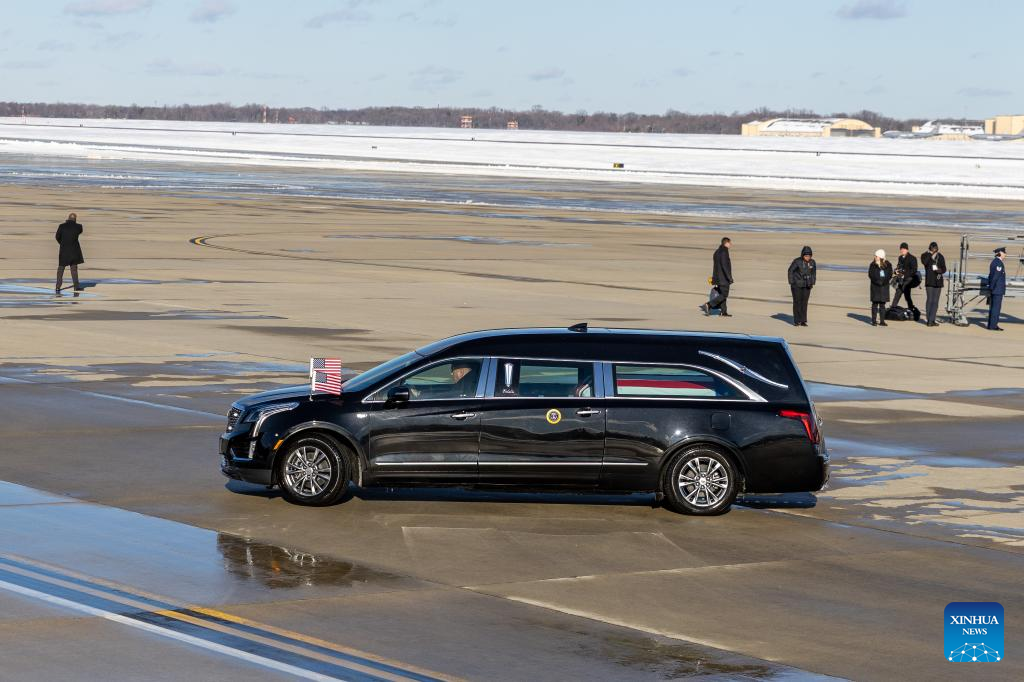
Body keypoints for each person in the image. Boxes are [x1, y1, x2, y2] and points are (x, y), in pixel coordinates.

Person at [701, 237, 733, 317]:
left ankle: (723, 312)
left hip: (717, 277)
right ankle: (708, 305)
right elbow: (724, 266)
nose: (731, 244)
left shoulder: (717, 252)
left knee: (722, 294)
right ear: (726, 243)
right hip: (723, 278)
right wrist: (729, 277)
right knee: (724, 295)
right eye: (730, 243)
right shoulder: (724, 252)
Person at [55, 212, 85, 294]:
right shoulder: (79, 226)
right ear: (75, 219)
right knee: (74, 269)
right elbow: (79, 232)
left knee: (61, 269)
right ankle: (76, 286)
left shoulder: (62, 226)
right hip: (74, 251)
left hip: (64, 250)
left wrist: (62, 243)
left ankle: (57, 287)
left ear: (68, 218)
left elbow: (57, 237)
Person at [787, 245, 816, 326]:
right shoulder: (797, 261)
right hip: (797, 285)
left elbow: (813, 273)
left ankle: (803, 320)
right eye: (806, 255)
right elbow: (790, 271)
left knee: (804, 303)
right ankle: (797, 321)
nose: (807, 257)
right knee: (797, 302)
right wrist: (792, 282)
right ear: (802, 255)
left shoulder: (812, 262)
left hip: (807, 285)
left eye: (809, 255)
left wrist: (812, 282)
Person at [920, 241, 946, 326]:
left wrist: (940, 270)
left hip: (938, 281)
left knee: (935, 302)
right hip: (929, 281)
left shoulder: (940, 256)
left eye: (936, 248)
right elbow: (925, 262)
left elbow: (944, 268)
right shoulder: (925, 255)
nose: (935, 250)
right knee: (930, 300)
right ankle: (929, 320)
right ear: (930, 248)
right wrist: (930, 254)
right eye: (933, 248)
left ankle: (932, 320)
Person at [890, 242, 919, 315]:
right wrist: (896, 270)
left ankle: (896, 306)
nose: (902, 250)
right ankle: (894, 307)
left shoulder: (912, 258)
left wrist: (904, 274)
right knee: (902, 293)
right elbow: (899, 266)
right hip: (901, 279)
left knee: (902, 292)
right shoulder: (900, 257)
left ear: (907, 250)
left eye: (904, 249)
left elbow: (914, 270)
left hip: (909, 279)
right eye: (901, 249)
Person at [869, 249, 893, 327]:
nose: (875, 257)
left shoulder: (888, 264)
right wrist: (877, 281)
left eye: (876, 256)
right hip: (875, 287)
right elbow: (871, 275)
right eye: (875, 256)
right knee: (875, 304)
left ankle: (882, 321)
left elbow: (889, 275)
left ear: (880, 257)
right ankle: (873, 321)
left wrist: (884, 282)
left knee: (882, 305)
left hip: (884, 287)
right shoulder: (872, 264)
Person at [987, 247, 1007, 331]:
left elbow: (991, 276)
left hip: (995, 289)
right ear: (1000, 253)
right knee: (996, 308)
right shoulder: (998, 263)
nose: (1005, 254)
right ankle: (993, 326)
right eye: (1004, 253)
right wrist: (992, 288)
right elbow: (995, 277)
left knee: (993, 307)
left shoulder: (995, 262)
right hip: (997, 289)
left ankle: (991, 325)